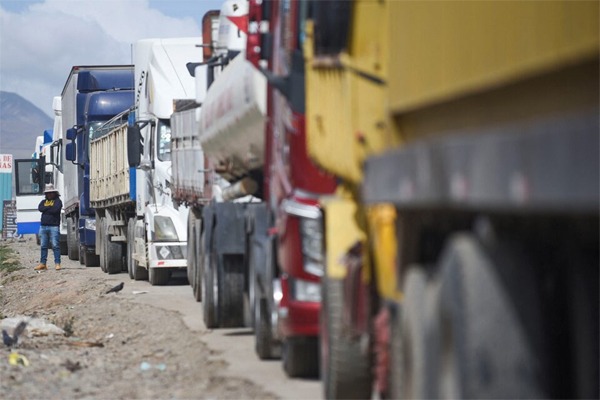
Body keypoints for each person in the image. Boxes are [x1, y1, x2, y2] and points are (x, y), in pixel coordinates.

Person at [35, 184, 63, 271]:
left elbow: (55, 210)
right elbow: (40, 208)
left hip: (54, 227)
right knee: (43, 246)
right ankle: (43, 263)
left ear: (54, 193)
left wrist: (46, 208)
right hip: (43, 226)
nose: (49, 194)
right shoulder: (43, 202)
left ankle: (57, 263)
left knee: (55, 245)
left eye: (51, 193)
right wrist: (49, 207)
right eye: (48, 193)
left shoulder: (58, 201)